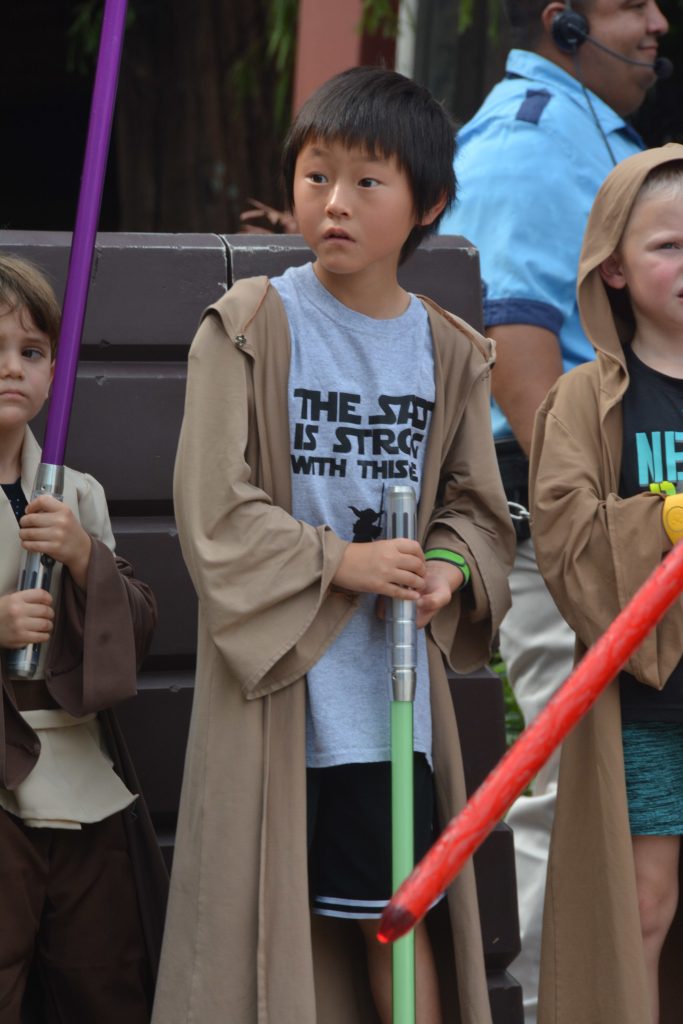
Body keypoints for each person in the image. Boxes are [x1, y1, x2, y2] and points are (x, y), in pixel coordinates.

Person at [152, 66, 514, 1024]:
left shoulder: (449, 353)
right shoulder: (249, 325)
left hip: (384, 696)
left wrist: (445, 568)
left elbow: (479, 512)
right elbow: (212, 505)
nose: (335, 204)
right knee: (254, 923)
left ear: (426, 203)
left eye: (367, 181)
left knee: (391, 919)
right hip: (275, 686)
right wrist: (337, 561)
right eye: (316, 177)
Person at [439, 2, 669, 1018]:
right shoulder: (530, 143)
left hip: (648, 560)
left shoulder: (602, 138)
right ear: (561, 19)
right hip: (581, 561)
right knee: (568, 811)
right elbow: (517, 359)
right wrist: (597, 548)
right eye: (628, 2)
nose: (656, 22)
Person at [530, 143, 683, 1024]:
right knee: (643, 907)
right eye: (667, 246)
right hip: (646, 703)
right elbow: (563, 544)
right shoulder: (586, 400)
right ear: (614, 269)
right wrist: (659, 522)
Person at [0, 254, 166, 1022]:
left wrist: (83, 558)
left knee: (104, 980)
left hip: (81, 773)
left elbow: (135, 627)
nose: (12, 370)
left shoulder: (76, 493)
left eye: (32, 353)